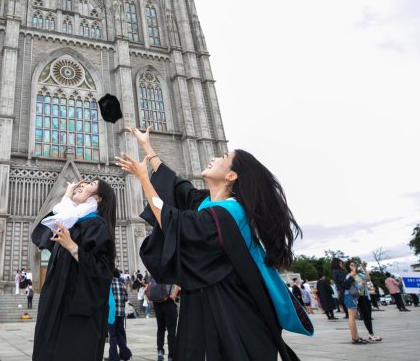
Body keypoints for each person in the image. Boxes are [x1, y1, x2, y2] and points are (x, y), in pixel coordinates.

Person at [117, 126, 313, 360]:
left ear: (231, 176)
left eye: (222, 157)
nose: (213, 158)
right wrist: (147, 147)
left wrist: (143, 178)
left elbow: (174, 221)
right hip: (199, 304)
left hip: (227, 309)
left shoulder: (230, 214)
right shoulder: (206, 203)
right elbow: (179, 188)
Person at [31, 178, 116, 361]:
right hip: (55, 301)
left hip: (77, 310)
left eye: (90, 184)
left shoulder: (96, 225)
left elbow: (103, 270)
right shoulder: (71, 220)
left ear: (97, 198)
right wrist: (68, 194)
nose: (83, 185)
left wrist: (72, 246)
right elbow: (41, 238)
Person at [148, 277, 178, 361]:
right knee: (171, 331)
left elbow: (150, 286)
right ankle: (171, 356)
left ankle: (160, 351)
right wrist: (174, 295)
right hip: (168, 301)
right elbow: (177, 282)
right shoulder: (171, 270)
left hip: (157, 303)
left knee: (160, 329)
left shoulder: (154, 272)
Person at [107, 268, 133, 361]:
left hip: (111, 314)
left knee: (113, 336)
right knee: (118, 334)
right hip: (121, 313)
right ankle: (124, 354)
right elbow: (126, 299)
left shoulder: (109, 284)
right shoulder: (122, 284)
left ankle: (115, 357)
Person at [353, 263, 382, 342]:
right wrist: (361, 283)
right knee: (366, 316)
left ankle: (371, 333)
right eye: (351, 265)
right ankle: (371, 334)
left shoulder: (359, 274)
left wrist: (364, 269)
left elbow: (368, 278)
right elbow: (354, 287)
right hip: (359, 297)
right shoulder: (350, 276)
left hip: (366, 296)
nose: (354, 266)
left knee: (369, 315)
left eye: (354, 265)